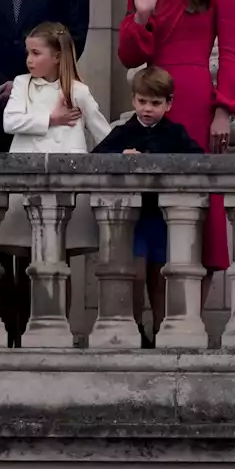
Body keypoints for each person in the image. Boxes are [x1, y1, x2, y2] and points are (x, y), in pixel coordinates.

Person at [118, 0, 235, 309]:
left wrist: (224, 109)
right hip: (155, 98)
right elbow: (128, 56)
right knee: (157, 211)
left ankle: (189, 317)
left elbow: (229, 52)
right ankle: (160, 322)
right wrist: (141, 16)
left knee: (201, 208)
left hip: (195, 101)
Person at [0, 21, 112, 346]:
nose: (29, 60)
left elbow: (102, 132)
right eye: (28, 53)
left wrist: (127, 148)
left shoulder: (78, 91)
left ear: (58, 56)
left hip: (66, 188)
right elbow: (10, 122)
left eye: (36, 53)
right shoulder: (22, 84)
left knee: (60, 259)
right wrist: (51, 119)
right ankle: (22, 332)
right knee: (23, 258)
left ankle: (60, 328)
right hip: (25, 184)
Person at [93, 65, 206, 348]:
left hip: (161, 215)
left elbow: (198, 158)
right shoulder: (124, 131)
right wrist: (121, 155)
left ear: (169, 104)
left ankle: (160, 330)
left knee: (160, 276)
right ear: (133, 100)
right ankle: (134, 329)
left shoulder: (175, 133)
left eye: (155, 103)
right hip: (133, 217)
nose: (147, 109)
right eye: (142, 101)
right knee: (134, 274)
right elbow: (96, 156)